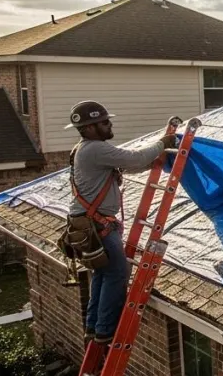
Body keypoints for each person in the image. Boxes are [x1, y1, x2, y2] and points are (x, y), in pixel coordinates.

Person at [66, 101, 174, 344]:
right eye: (104, 122)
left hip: (87, 225)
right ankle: (105, 329)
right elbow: (134, 159)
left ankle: (94, 327)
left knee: (102, 275)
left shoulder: (85, 150)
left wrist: (154, 160)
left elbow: (128, 167)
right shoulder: (94, 149)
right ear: (90, 128)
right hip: (98, 226)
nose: (110, 124)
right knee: (116, 274)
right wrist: (162, 144)